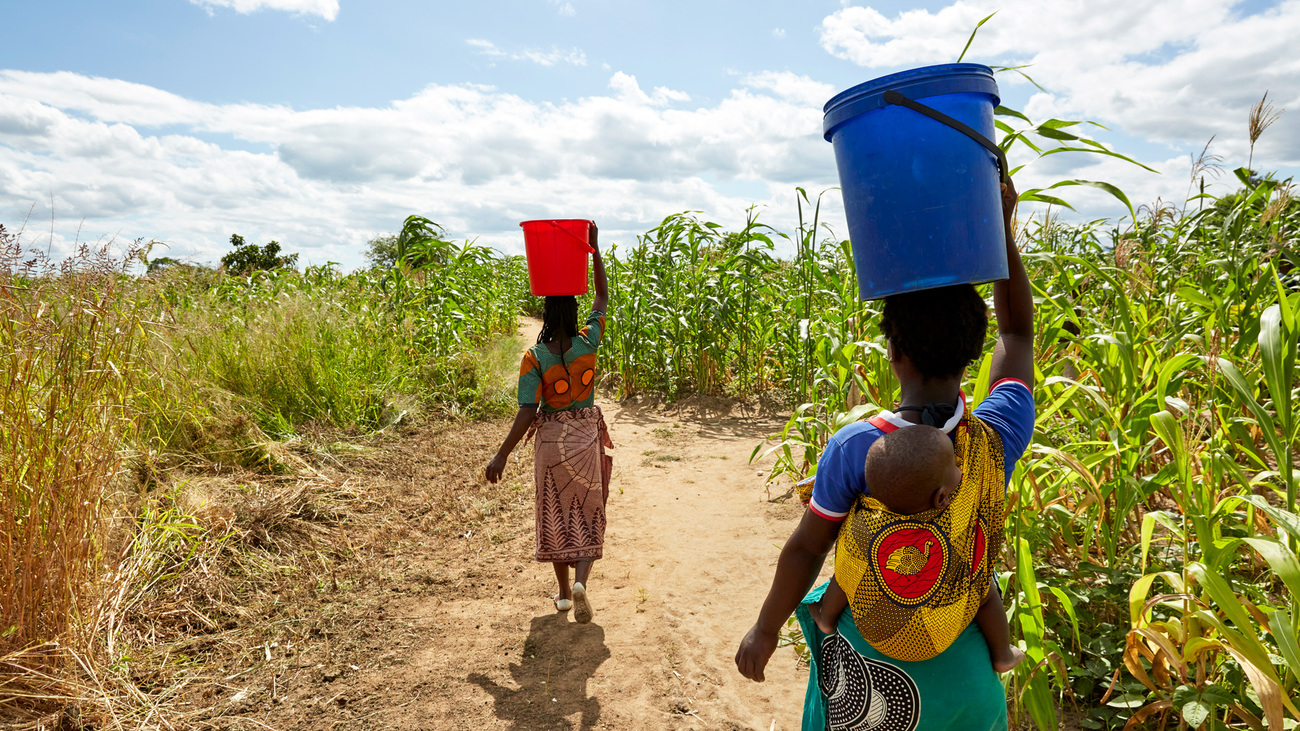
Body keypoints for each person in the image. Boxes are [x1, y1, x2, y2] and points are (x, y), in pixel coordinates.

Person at [735, 179, 1034, 730]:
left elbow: (806, 550)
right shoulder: (998, 433)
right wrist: (1002, 230)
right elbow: (1016, 333)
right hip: (966, 686)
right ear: (974, 348)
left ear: (892, 352)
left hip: (871, 684)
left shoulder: (856, 448)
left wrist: (766, 628)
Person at [808, 425, 1025, 673]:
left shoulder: (863, 525)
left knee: (847, 571)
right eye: (955, 465)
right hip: (939, 639)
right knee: (984, 589)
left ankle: (825, 619)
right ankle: (1002, 655)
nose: (959, 470)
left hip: (875, 634)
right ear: (941, 498)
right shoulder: (956, 522)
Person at [486, 223, 611, 625]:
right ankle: (580, 584)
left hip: (551, 440)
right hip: (585, 435)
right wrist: (594, 251)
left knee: (555, 511)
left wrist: (501, 455)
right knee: (588, 510)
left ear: (543, 313)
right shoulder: (588, 341)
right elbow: (603, 297)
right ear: (575, 314)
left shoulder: (534, 357)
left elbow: (527, 411)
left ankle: (561, 592)